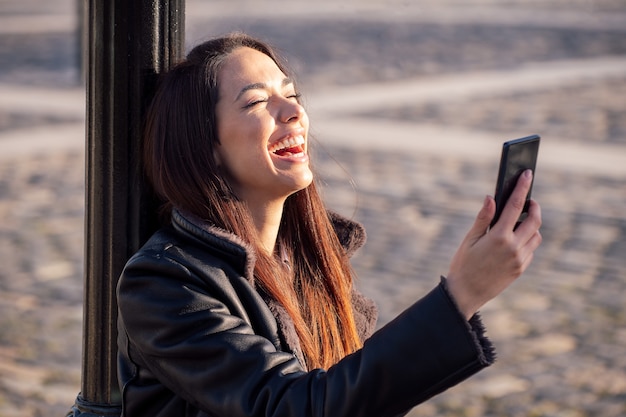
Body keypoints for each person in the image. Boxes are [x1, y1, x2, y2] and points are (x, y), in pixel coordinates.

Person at [116, 32, 542, 417]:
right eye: (256, 102)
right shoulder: (166, 284)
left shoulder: (308, 257)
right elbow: (289, 406)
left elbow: (350, 393)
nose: (293, 111)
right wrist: (461, 294)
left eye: (291, 93)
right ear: (205, 147)